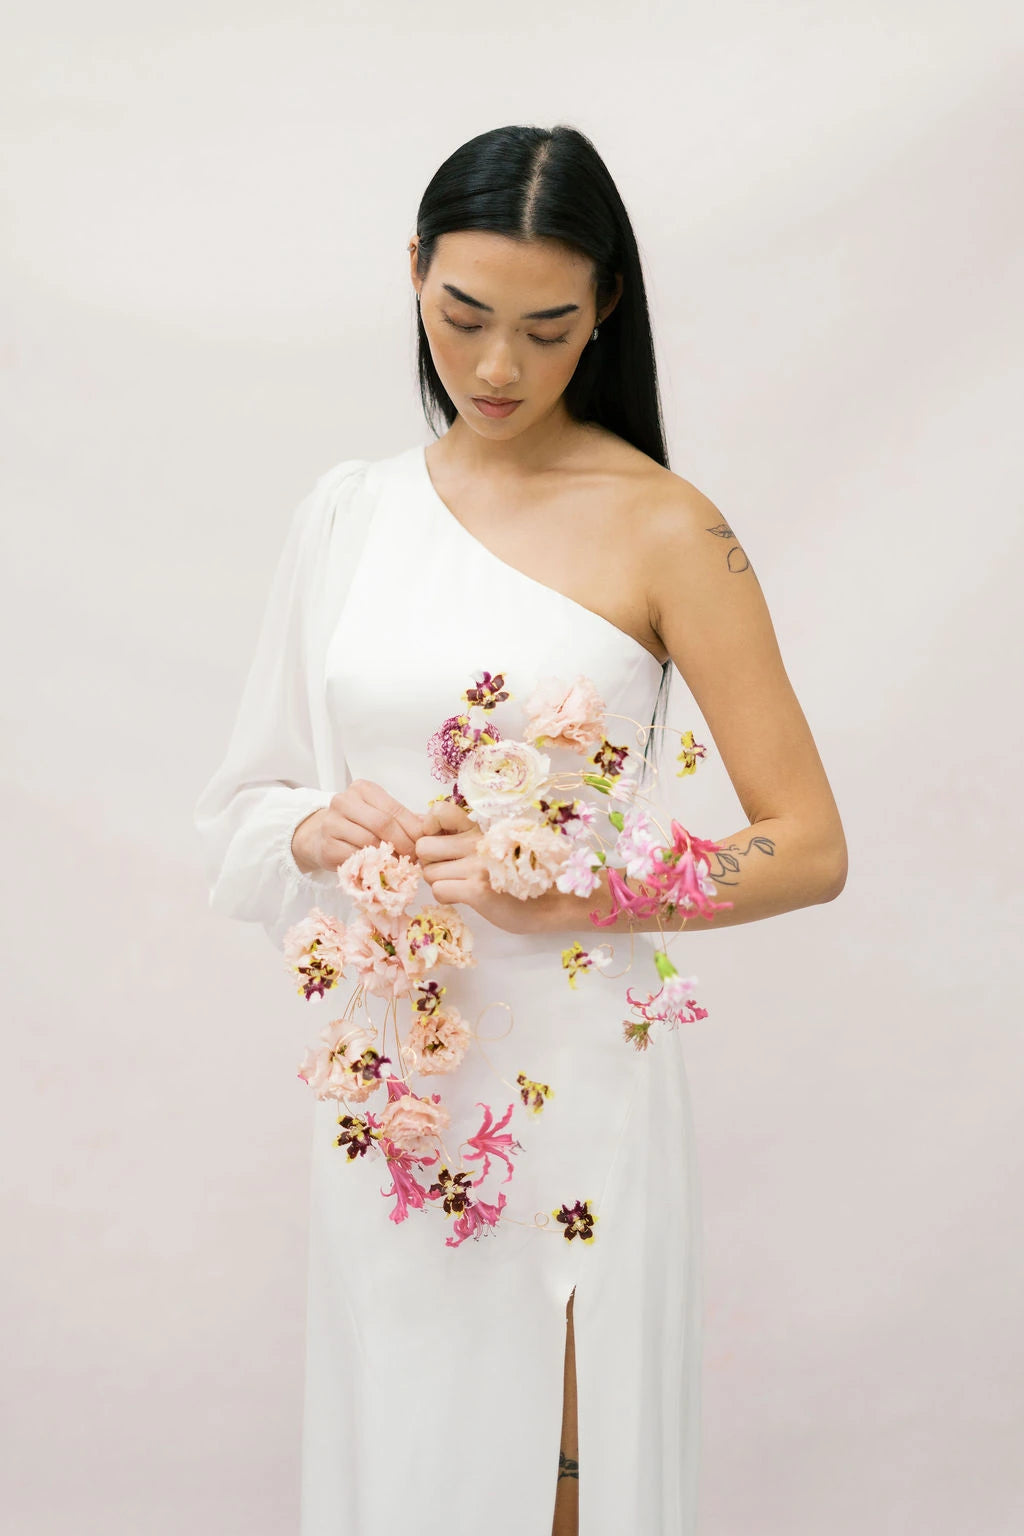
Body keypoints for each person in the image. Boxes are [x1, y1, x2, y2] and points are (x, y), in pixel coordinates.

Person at [194, 122, 847, 1536]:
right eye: (463, 318)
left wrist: (589, 890)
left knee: (564, 1468)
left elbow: (807, 842)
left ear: (606, 308)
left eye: (547, 330)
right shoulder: (347, 515)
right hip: (393, 1088)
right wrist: (319, 828)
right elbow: (242, 813)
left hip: (577, 1081)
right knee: (406, 1466)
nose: (496, 370)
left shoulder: (669, 527)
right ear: (414, 276)